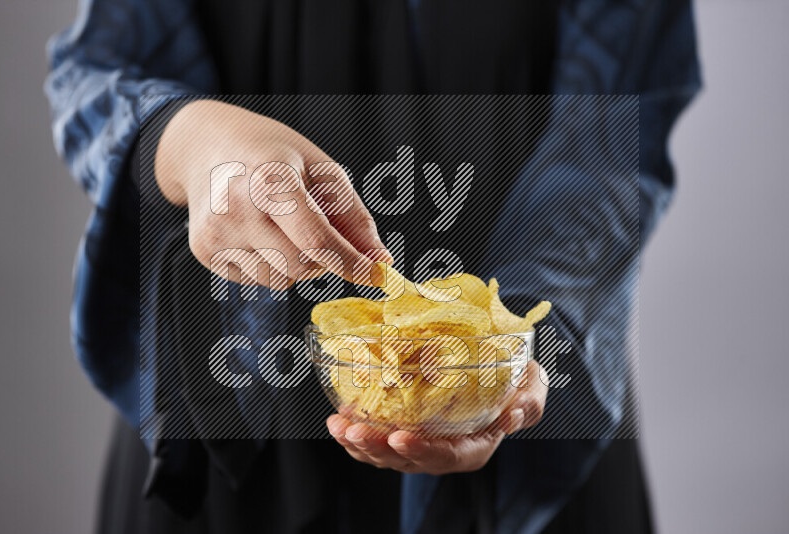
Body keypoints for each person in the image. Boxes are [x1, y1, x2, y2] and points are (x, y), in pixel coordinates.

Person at [45, 1, 700, 533]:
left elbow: (616, 134)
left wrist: (496, 358)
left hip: (529, 428)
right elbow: (94, 70)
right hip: (221, 422)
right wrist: (188, 142)